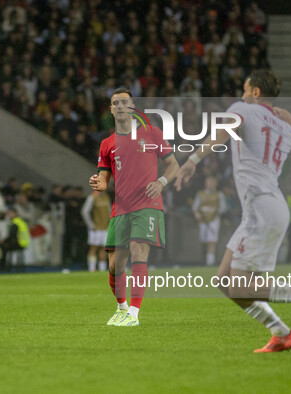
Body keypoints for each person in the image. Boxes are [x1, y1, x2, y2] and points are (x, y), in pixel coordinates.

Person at [175, 70, 291, 352]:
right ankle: (281, 333)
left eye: (245, 89)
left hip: (261, 206)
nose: (242, 93)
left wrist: (193, 159)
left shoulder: (244, 109)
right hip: (265, 206)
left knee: (242, 286)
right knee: (223, 280)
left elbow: (223, 132)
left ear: (255, 92)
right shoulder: (284, 127)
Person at [89, 88, 180, 327]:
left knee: (138, 253)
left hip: (147, 204)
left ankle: (134, 314)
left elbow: (173, 165)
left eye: (124, 102)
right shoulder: (107, 144)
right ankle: (121, 309)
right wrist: (97, 182)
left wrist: (161, 182)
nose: (119, 106)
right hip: (121, 208)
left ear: (132, 107)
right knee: (114, 265)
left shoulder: (152, 134)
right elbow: (104, 181)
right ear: (111, 110)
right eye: (114, 103)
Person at [192, 175, 227, 266]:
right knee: (204, 240)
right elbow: (195, 206)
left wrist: (215, 212)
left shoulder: (219, 194)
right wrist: (197, 213)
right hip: (203, 220)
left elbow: (223, 207)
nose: (210, 185)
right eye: (209, 183)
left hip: (214, 219)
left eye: (212, 183)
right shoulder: (200, 194)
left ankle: (210, 261)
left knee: (212, 240)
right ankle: (204, 258)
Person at [81, 190, 112, 272]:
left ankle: (102, 270)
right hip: (95, 228)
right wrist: (90, 225)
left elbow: (110, 211)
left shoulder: (106, 197)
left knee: (104, 249)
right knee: (93, 248)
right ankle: (92, 269)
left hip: (105, 228)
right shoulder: (92, 197)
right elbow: (84, 211)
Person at [0, 207, 30, 271]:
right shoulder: (21, 221)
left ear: (15, 213)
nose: (9, 215)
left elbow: (12, 235)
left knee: (1, 247)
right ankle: (9, 267)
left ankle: (3, 268)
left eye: (10, 213)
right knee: (4, 245)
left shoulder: (15, 222)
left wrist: (3, 241)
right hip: (24, 243)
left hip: (18, 243)